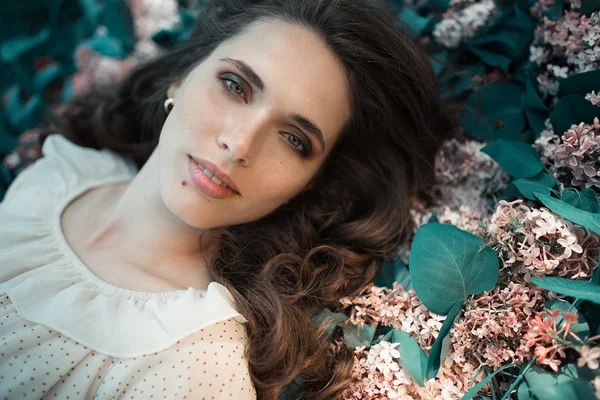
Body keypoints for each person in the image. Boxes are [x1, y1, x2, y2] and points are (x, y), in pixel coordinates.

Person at [0, 0, 460, 398]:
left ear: (309, 183)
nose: (239, 144)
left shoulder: (196, 364)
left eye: (294, 139)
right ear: (180, 78)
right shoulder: (66, 175)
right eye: (235, 85)